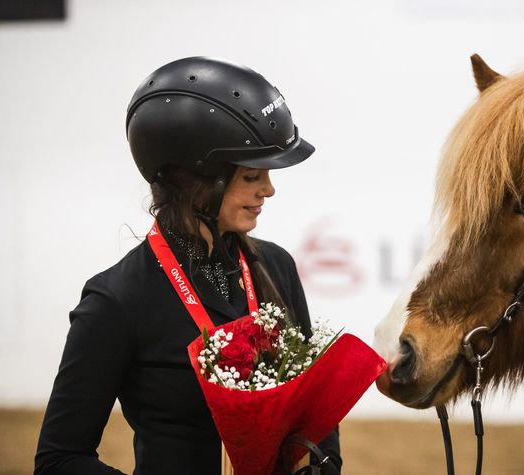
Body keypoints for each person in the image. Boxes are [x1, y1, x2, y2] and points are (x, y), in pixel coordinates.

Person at [35, 57, 341, 475]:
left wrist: (323, 465)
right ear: (197, 180)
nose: (269, 190)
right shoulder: (115, 300)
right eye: (252, 176)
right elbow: (59, 459)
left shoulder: (277, 266)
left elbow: (317, 414)